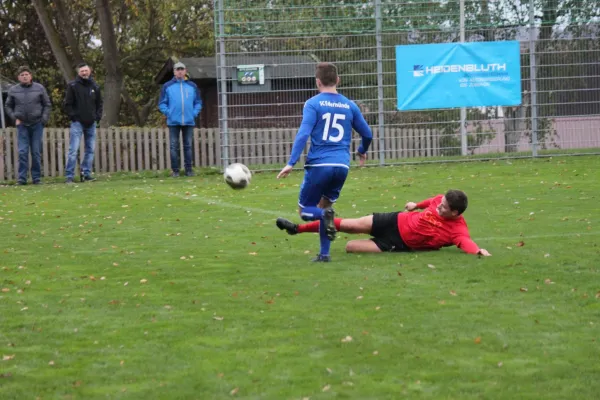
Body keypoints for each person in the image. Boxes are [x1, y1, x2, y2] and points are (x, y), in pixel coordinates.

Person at [276, 62, 373, 262]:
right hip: (342, 166)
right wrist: (361, 151)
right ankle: (324, 254)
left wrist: (291, 162)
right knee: (324, 207)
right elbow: (367, 133)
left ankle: (325, 222)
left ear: (317, 82)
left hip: (319, 165)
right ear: (338, 80)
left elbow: (303, 133)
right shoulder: (350, 105)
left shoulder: (313, 103)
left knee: (306, 212)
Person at [276, 189, 492, 257]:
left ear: (455, 213)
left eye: (444, 208)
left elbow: (466, 243)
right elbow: (430, 200)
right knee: (349, 225)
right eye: (441, 202)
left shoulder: (457, 230)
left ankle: (315, 229)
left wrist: (479, 252)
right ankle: (298, 228)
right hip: (394, 219)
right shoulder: (440, 201)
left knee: (351, 248)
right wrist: (415, 204)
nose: (438, 206)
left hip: (397, 243)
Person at [4, 66, 51, 185]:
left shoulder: (39, 88)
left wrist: (43, 119)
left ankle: (36, 178)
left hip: (37, 124)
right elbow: (7, 106)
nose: (24, 76)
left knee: (35, 152)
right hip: (22, 125)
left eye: (26, 74)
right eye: (22, 75)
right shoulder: (13, 90)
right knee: (23, 152)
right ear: (18, 77)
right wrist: (15, 118)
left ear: (31, 76)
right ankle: (22, 179)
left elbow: (47, 104)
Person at [158, 61, 202, 177]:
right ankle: (175, 171)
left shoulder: (192, 86)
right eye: (178, 69)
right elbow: (162, 103)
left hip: (189, 120)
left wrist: (194, 113)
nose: (180, 71)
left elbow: (198, 102)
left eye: (182, 69)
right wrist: (169, 113)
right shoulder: (167, 86)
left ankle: (189, 170)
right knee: (173, 146)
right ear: (174, 72)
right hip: (173, 121)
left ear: (185, 71)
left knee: (188, 146)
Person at [64, 62, 103, 184]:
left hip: (91, 123)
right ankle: (69, 176)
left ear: (90, 71)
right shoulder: (73, 86)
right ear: (78, 72)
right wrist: (74, 117)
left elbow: (99, 104)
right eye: (82, 71)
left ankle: (86, 173)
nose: (84, 73)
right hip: (77, 122)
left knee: (90, 149)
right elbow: (67, 104)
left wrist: (97, 117)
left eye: (86, 71)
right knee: (73, 150)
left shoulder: (95, 86)